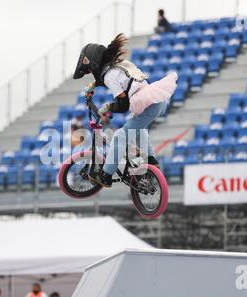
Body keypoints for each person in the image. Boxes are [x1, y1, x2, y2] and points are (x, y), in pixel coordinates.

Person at [73, 33, 177, 187]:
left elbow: (122, 104)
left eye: (89, 70)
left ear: (94, 64)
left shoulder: (109, 76)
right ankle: (151, 162)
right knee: (138, 127)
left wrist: (108, 107)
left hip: (147, 102)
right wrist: (94, 85)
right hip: (157, 101)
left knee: (120, 136)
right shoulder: (121, 64)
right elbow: (122, 79)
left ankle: (106, 175)